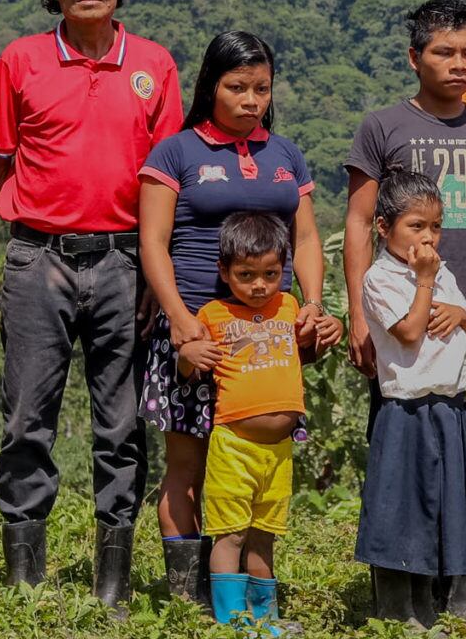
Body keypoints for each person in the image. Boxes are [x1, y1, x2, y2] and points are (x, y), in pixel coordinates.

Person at [0, 0, 180, 608]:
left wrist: (159, 273)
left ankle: (111, 585)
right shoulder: (22, 59)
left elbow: (165, 180)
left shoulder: (153, 64)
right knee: (28, 414)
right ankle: (26, 579)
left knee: (121, 422)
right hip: (37, 256)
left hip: (123, 260)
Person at [137, 30, 337, 605]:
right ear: (211, 87)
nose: (251, 100)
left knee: (251, 466)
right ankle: (187, 593)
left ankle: (237, 590)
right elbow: (153, 243)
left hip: (267, 339)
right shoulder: (176, 152)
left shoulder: (285, 155)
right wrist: (179, 321)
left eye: (261, 89)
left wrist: (313, 305)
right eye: (237, 88)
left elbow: (304, 236)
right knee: (189, 463)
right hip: (200, 338)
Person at [342, 0, 466, 596]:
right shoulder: (384, 127)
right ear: (414, 57)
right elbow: (358, 221)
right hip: (402, 322)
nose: (458, 64)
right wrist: (359, 319)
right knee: (401, 455)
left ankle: (460, 588)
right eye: (443, 52)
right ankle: (397, 583)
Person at [356, 170, 466, 630]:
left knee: (449, 500)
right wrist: (426, 282)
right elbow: (410, 331)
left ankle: (446, 601)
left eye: (436, 226)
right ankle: (396, 607)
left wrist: (458, 312)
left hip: (449, 404)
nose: (429, 237)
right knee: (402, 503)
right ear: (383, 228)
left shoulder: (441, 271)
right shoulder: (381, 278)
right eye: (416, 226)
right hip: (406, 408)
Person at [185, 211, 313, 634]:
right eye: (246, 274)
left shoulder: (291, 306)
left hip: (279, 451)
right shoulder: (212, 315)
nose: (259, 285)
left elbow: (308, 351)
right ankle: (230, 620)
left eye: (270, 274)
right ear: (224, 271)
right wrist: (186, 357)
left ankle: (264, 617)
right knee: (231, 533)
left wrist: (324, 330)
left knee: (264, 533)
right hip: (233, 446)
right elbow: (186, 368)